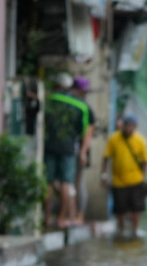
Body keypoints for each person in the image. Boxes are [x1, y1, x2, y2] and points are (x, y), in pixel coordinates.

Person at [43, 72, 89, 229]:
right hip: (68, 148)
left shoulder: (49, 100)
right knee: (66, 183)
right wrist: (82, 150)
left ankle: (47, 218)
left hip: (49, 145)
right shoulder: (80, 105)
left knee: (48, 181)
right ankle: (61, 219)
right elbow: (84, 130)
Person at [101, 114, 147, 240]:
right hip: (118, 181)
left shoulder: (140, 141)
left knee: (136, 208)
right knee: (119, 208)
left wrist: (143, 177)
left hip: (136, 180)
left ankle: (135, 230)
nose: (129, 129)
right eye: (127, 126)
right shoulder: (114, 139)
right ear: (123, 126)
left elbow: (145, 161)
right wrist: (104, 175)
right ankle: (121, 229)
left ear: (135, 127)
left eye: (131, 126)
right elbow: (106, 157)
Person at [70, 77, 96, 224]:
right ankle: (72, 214)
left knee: (79, 184)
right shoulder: (71, 105)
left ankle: (79, 215)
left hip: (79, 151)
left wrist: (83, 152)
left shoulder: (85, 108)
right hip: (68, 149)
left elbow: (89, 131)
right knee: (69, 183)